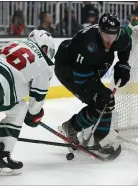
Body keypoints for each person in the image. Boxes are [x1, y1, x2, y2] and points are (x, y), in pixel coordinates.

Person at [0, 30, 55, 176]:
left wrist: (29, 113)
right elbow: (37, 100)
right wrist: (35, 115)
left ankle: (3, 159)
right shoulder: (44, 63)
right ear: (46, 48)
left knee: (19, 108)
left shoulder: (18, 43)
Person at [54, 13, 131, 155]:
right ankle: (70, 127)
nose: (110, 40)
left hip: (91, 68)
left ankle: (99, 139)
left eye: (114, 35)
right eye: (106, 35)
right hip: (69, 70)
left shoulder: (120, 35)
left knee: (105, 101)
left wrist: (123, 64)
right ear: (100, 31)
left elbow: (126, 44)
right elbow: (81, 79)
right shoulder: (88, 44)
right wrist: (99, 92)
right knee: (102, 101)